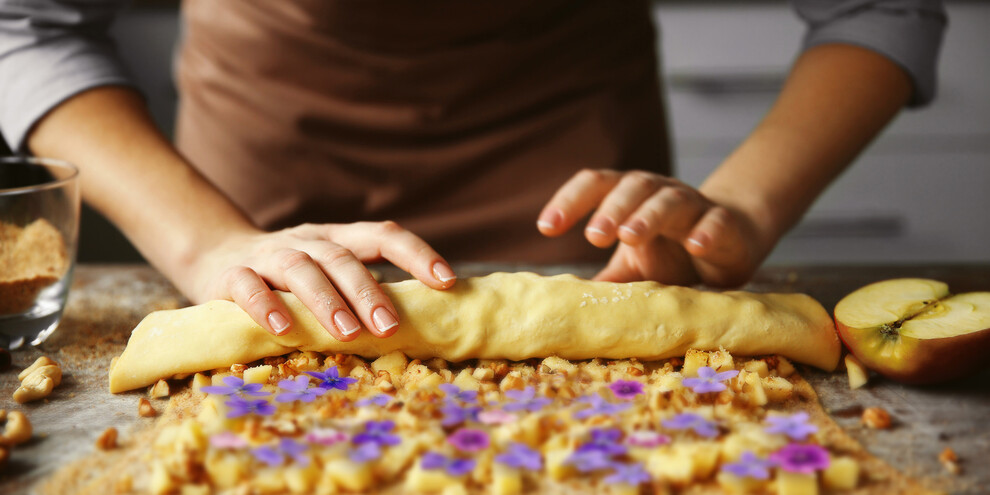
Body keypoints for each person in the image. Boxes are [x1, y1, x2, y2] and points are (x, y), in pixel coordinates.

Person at [0, 1, 945, 340]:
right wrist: (207, 241)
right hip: (257, 203)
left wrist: (741, 202)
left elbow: (880, 5)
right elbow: (26, 17)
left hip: (594, 227)